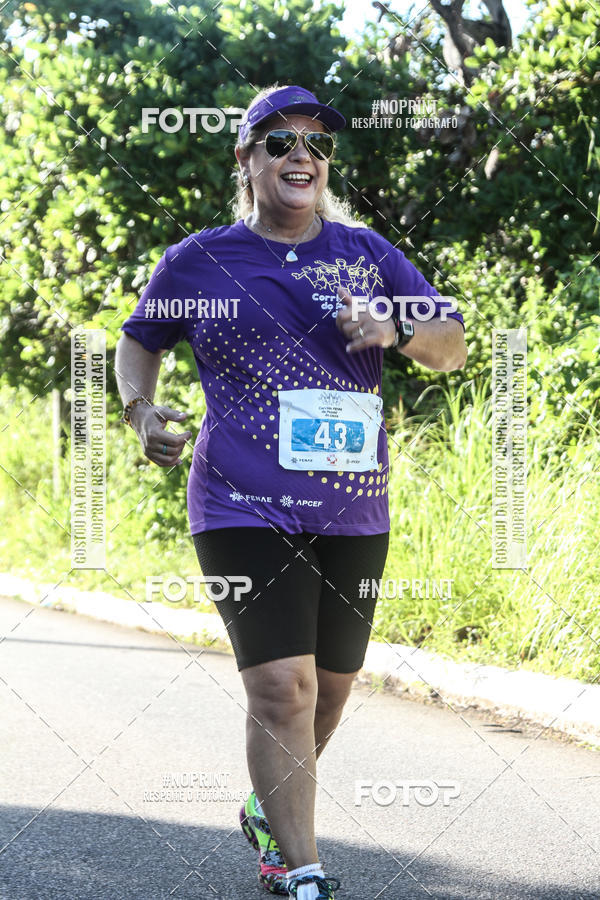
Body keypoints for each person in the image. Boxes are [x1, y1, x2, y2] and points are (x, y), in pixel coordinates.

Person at [116, 84, 467, 900]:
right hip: (239, 503)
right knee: (284, 688)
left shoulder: (366, 255)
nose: (301, 155)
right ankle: (299, 868)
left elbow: (450, 346)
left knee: (330, 696)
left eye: (316, 144)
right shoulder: (199, 261)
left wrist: (397, 329)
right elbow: (138, 346)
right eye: (280, 142)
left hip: (352, 509)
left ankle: (265, 809)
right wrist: (140, 413)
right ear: (245, 159)